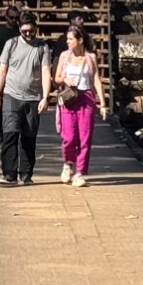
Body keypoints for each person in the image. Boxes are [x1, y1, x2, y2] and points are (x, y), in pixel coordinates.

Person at [0, 13, 52, 185]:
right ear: (19, 29)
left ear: (35, 29)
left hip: (33, 97)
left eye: (31, 31)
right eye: (24, 31)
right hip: (11, 95)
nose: (28, 35)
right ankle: (9, 173)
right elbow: (2, 70)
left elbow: (46, 72)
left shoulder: (42, 47)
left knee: (28, 137)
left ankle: (26, 173)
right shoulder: (11, 44)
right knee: (10, 134)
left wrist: (45, 98)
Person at [53, 27, 109, 187]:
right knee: (69, 137)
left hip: (86, 98)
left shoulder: (90, 58)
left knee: (85, 138)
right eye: (67, 39)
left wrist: (102, 103)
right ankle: (68, 163)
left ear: (80, 40)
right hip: (70, 98)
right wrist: (64, 78)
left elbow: (96, 79)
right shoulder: (65, 56)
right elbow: (56, 78)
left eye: (71, 39)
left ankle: (80, 172)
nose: (68, 42)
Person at [0, 4, 21, 68]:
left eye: (16, 18)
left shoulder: (21, 31)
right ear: (6, 17)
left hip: (16, 66)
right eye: (11, 17)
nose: (14, 20)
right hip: (1, 64)